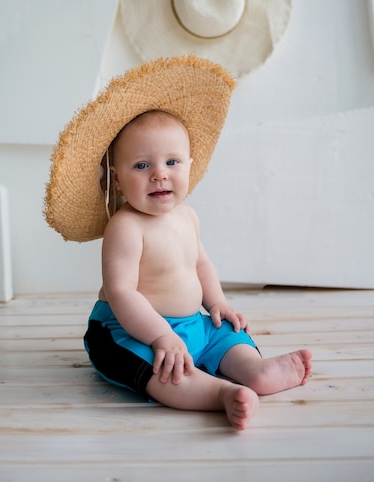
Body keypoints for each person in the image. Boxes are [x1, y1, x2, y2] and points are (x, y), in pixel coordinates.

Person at [44, 55, 312, 431]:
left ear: (189, 164)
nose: (159, 175)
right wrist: (161, 335)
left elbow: (200, 265)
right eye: (141, 166)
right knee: (162, 367)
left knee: (223, 333)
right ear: (117, 179)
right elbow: (122, 294)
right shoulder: (125, 227)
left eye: (172, 162)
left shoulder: (187, 216)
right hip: (130, 331)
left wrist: (217, 302)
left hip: (192, 324)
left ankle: (253, 370)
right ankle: (217, 394)